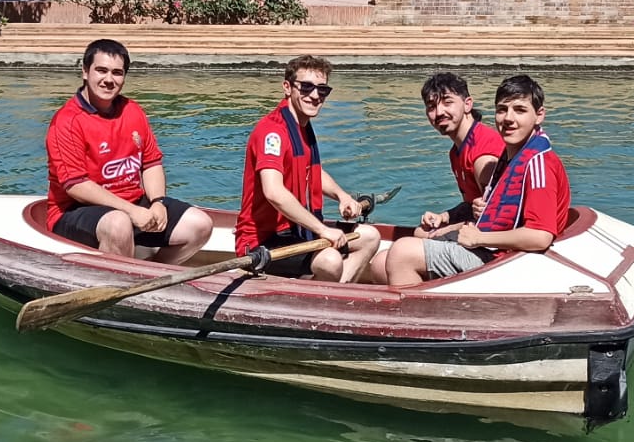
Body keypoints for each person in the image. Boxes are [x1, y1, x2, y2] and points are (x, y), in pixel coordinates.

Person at [385, 74, 569, 286]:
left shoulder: (536, 164)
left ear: (539, 115)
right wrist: (446, 217)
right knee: (388, 259)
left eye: (520, 110)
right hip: (497, 249)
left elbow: (540, 236)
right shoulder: (510, 157)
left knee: (402, 252)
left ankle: (422, 307)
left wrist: (478, 238)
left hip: (508, 260)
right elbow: (486, 207)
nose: (508, 118)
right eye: (502, 110)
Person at [45, 39, 213, 264]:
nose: (109, 80)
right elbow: (76, 185)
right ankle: (119, 278)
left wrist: (158, 202)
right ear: (85, 71)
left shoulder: (133, 111)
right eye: (101, 70)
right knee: (119, 224)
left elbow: (151, 163)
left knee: (200, 225)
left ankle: (154, 273)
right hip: (75, 211)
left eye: (117, 73)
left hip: (132, 203)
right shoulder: (67, 121)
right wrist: (132, 212)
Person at [236, 56, 384, 283]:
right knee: (330, 261)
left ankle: (332, 294)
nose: (315, 96)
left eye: (322, 90)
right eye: (306, 87)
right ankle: (324, 294)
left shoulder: (302, 128)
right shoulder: (272, 133)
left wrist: (342, 196)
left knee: (370, 237)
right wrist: (322, 230)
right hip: (263, 242)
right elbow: (274, 192)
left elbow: (312, 172)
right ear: (287, 87)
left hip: (298, 232)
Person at [406, 72, 505, 240]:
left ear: (467, 104)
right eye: (431, 106)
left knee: (409, 245)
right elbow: (472, 205)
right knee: (420, 232)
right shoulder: (456, 152)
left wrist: (445, 230)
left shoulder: (483, 157)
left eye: (447, 102)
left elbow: (495, 216)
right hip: (481, 226)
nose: (439, 112)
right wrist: (444, 217)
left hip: (495, 237)